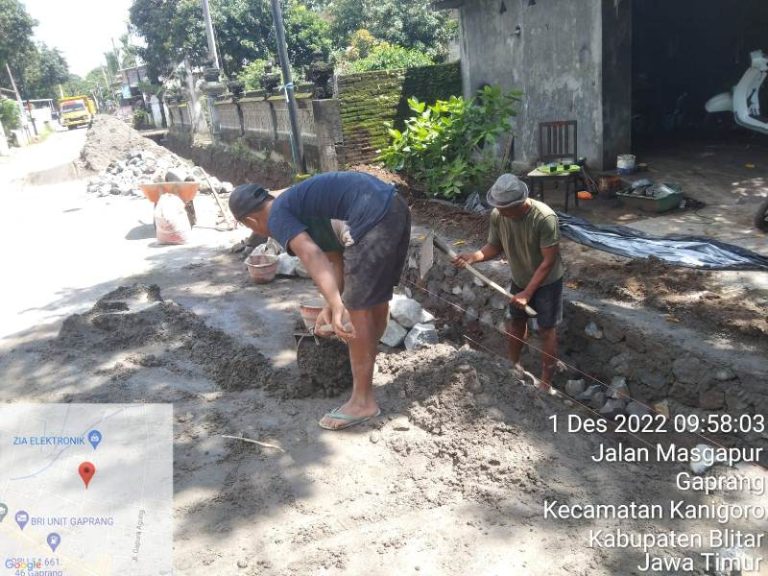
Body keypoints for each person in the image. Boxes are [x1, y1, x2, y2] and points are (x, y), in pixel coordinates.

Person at [228, 172, 411, 430]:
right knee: (374, 300)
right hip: (393, 206)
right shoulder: (301, 204)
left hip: (372, 215)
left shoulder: (278, 213)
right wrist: (330, 303)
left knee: (356, 309)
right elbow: (334, 259)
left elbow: (311, 255)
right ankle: (367, 367)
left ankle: (362, 401)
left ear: (250, 220)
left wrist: (339, 306)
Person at [452, 174, 564, 390]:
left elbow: (549, 261)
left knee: (546, 330)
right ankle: (513, 364)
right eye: (497, 207)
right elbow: (494, 246)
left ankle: (545, 383)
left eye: (503, 208)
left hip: (546, 282)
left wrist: (528, 293)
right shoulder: (499, 215)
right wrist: (473, 257)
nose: (498, 211)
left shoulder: (544, 218)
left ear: (519, 203)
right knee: (516, 322)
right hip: (520, 279)